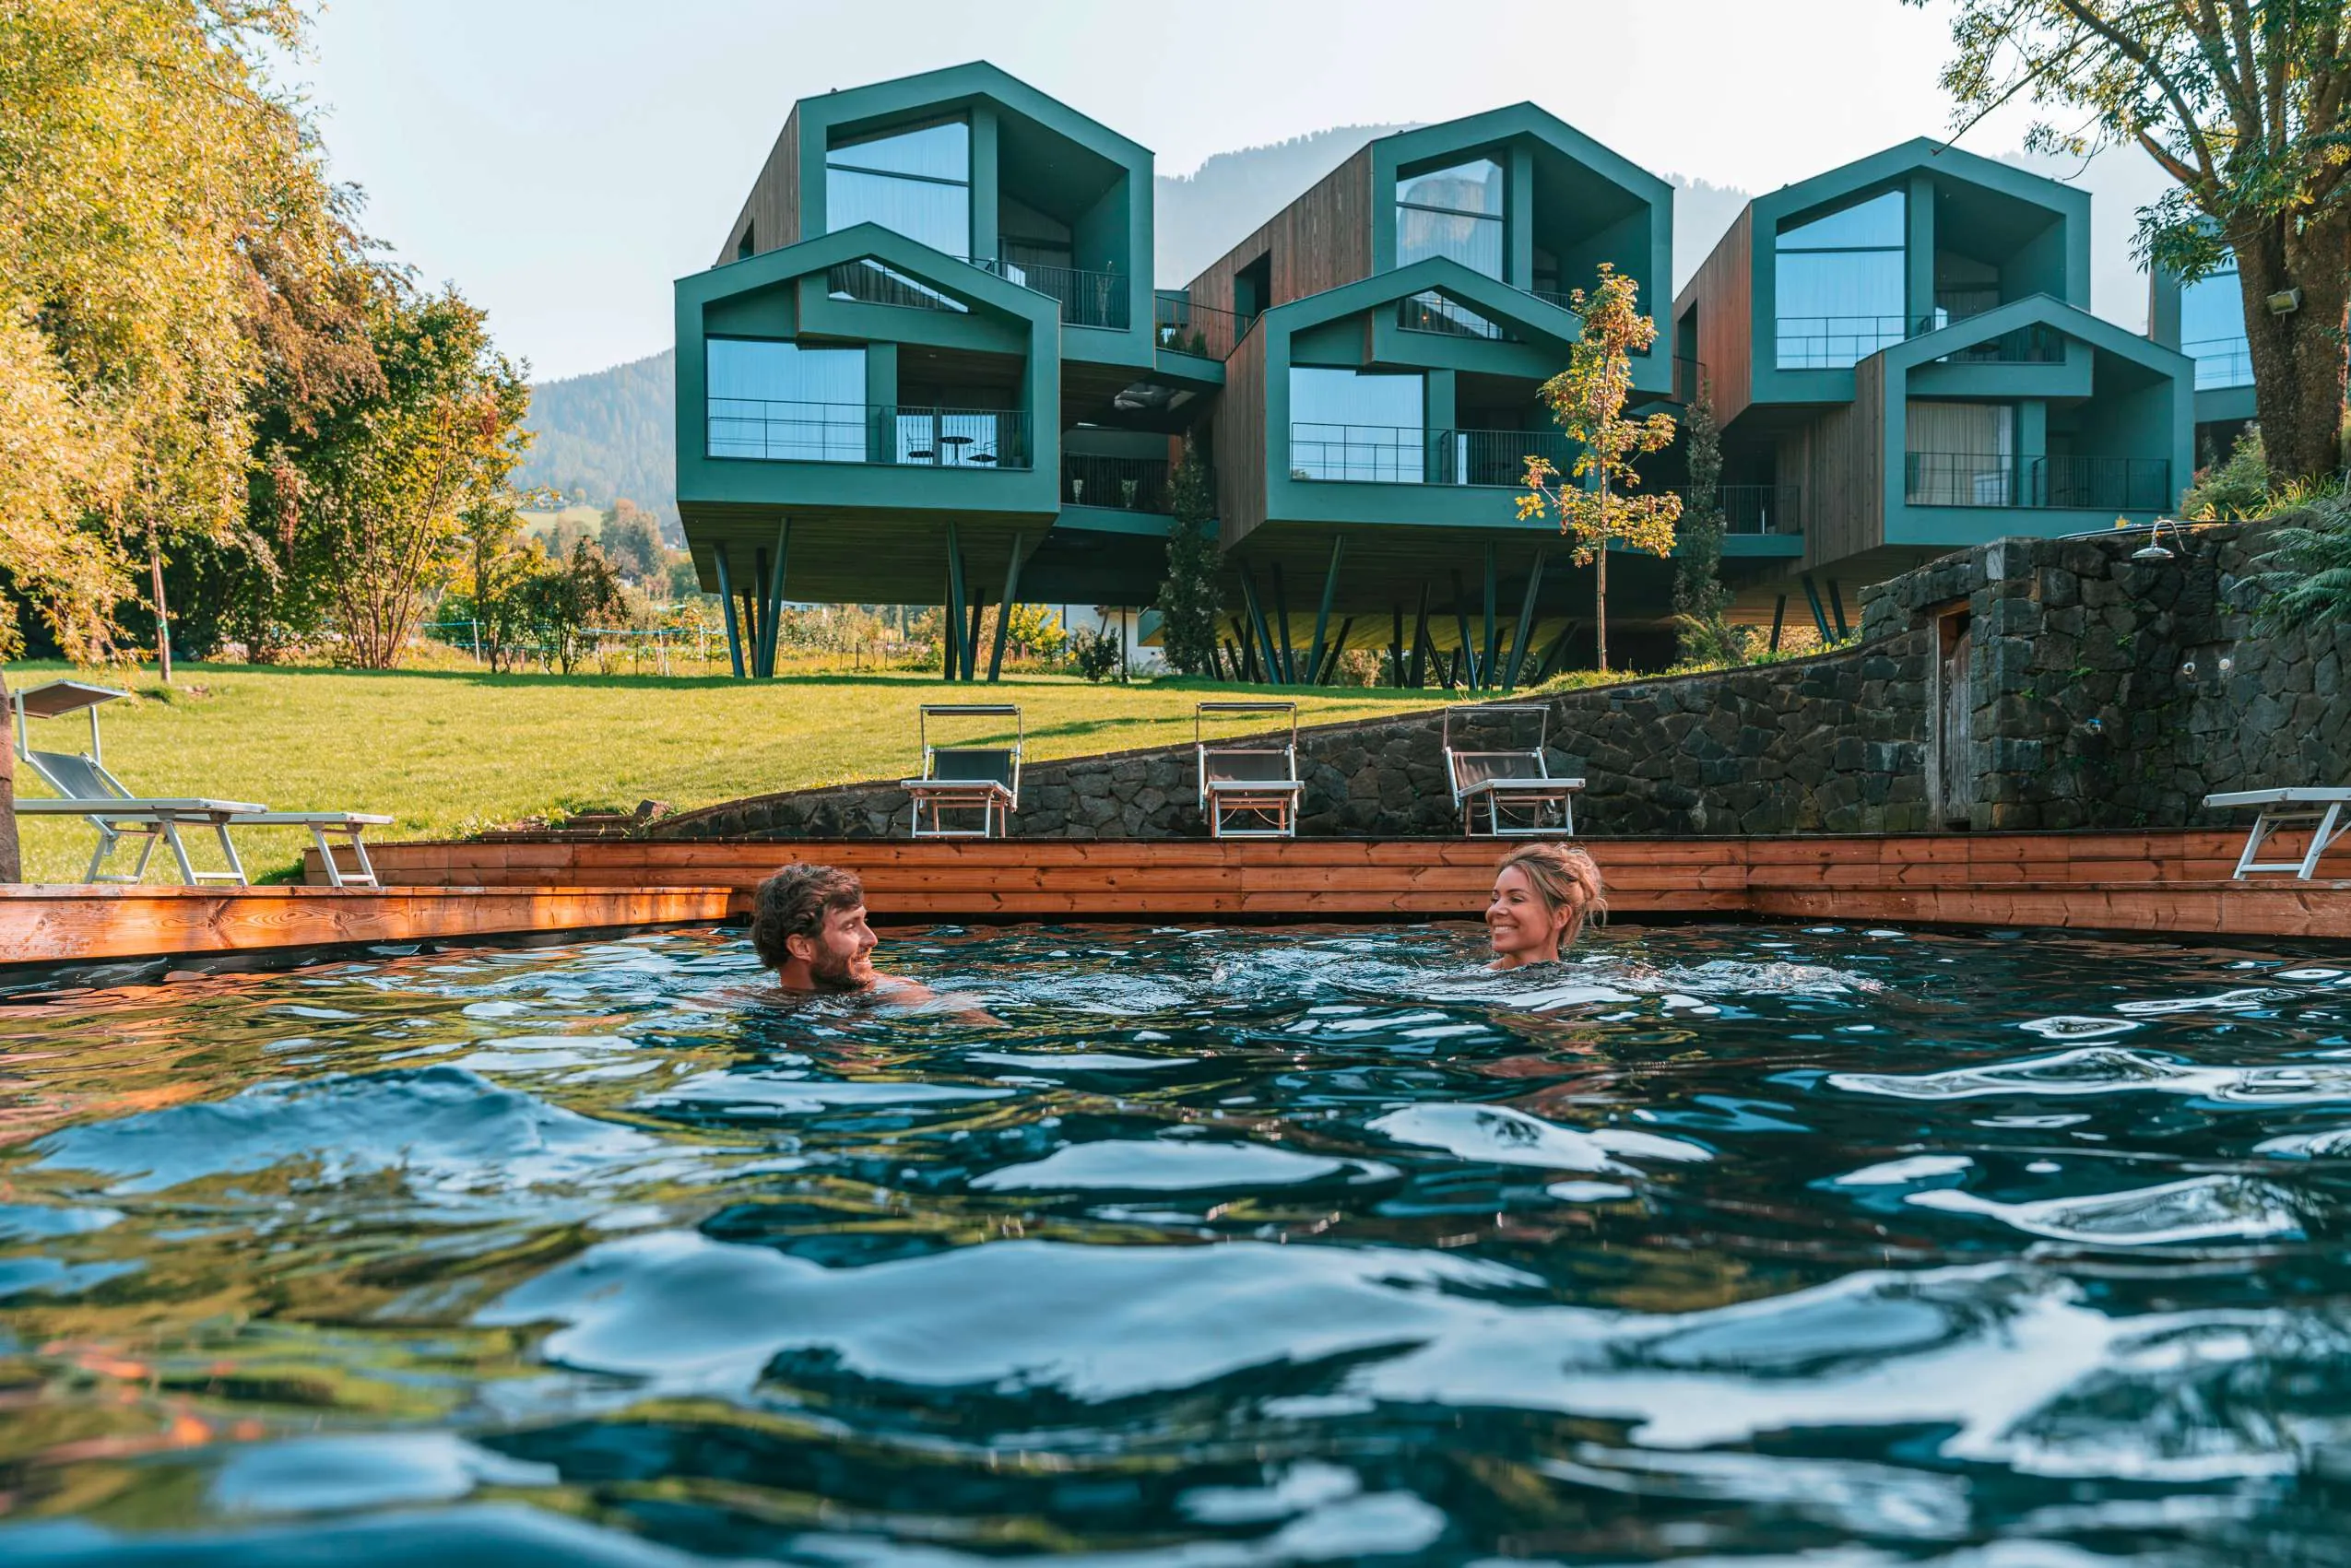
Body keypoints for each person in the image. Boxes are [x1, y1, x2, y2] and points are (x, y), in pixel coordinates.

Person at [750, 862, 928, 999]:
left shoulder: (900, 995)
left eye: (864, 921)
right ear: (802, 947)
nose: (872, 939)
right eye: (850, 926)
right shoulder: (741, 1002)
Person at [1484, 842, 1606, 971]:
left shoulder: (1590, 982)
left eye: (1516, 899)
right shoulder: (1468, 983)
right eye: (1495, 899)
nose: (1495, 909)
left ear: (1560, 916)